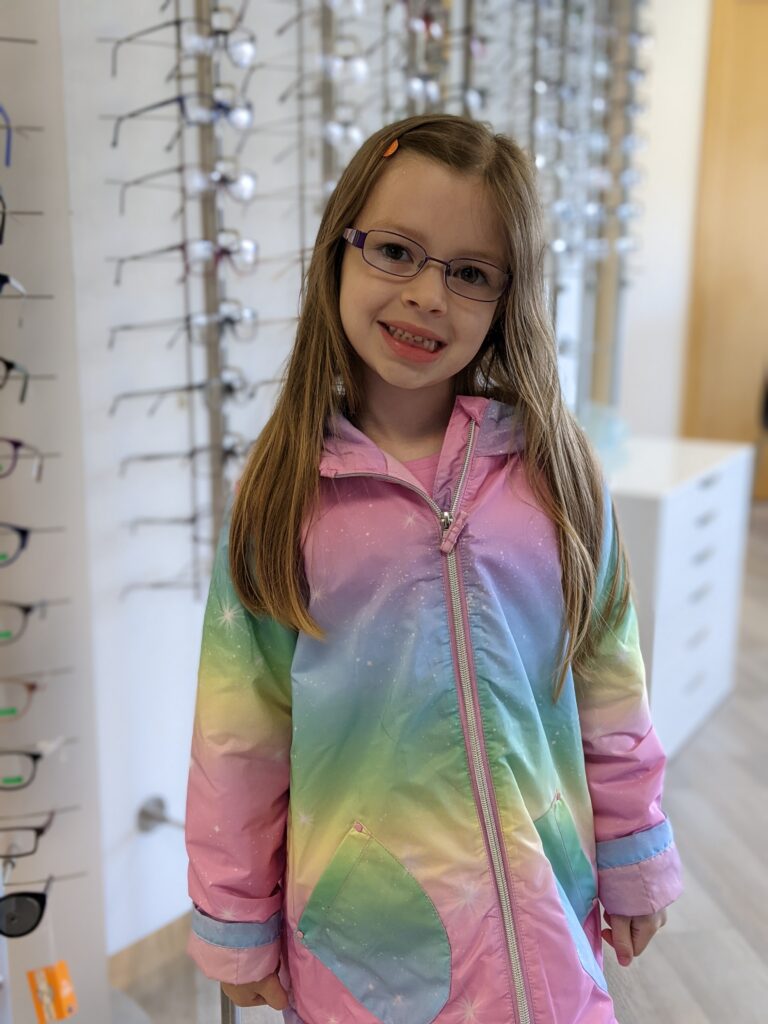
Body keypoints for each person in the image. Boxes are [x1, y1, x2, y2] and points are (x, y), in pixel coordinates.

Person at [184, 113, 684, 1024]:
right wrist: (234, 916)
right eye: (395, 251)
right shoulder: (282, 497)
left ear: (507, 297)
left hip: (546, 938)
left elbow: (610, 680)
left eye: (468, 273)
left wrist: (634, 850)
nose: (426, 295)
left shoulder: (557, 475)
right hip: (366, 957)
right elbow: (238, 736)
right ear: (339, 250)